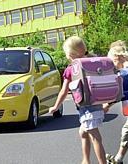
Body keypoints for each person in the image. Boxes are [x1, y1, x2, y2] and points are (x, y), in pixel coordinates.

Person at [49, 36, 107, 164]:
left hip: (86, 108)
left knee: (95, 137)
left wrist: (55, 106)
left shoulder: (71, 69)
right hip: (97, 103)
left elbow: (64, 91)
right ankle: (85, 160)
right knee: (83, 132)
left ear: (70, 54)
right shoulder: (93, 61)